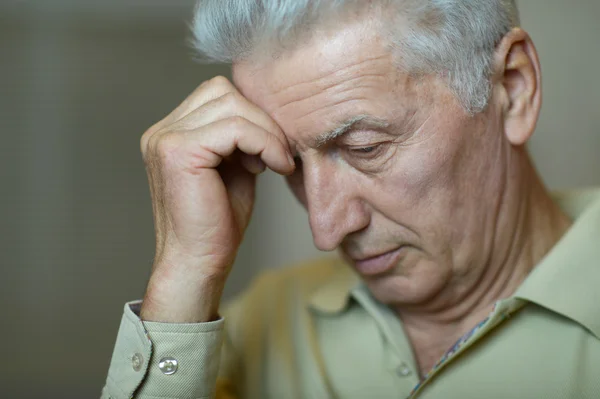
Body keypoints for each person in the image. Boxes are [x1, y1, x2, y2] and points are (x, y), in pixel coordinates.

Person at [101, 1, 600, 398]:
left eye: (366, 148)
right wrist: (186, 272)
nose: (326, 229)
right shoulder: (261, 323)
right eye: (288, 165)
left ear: (512, 88)